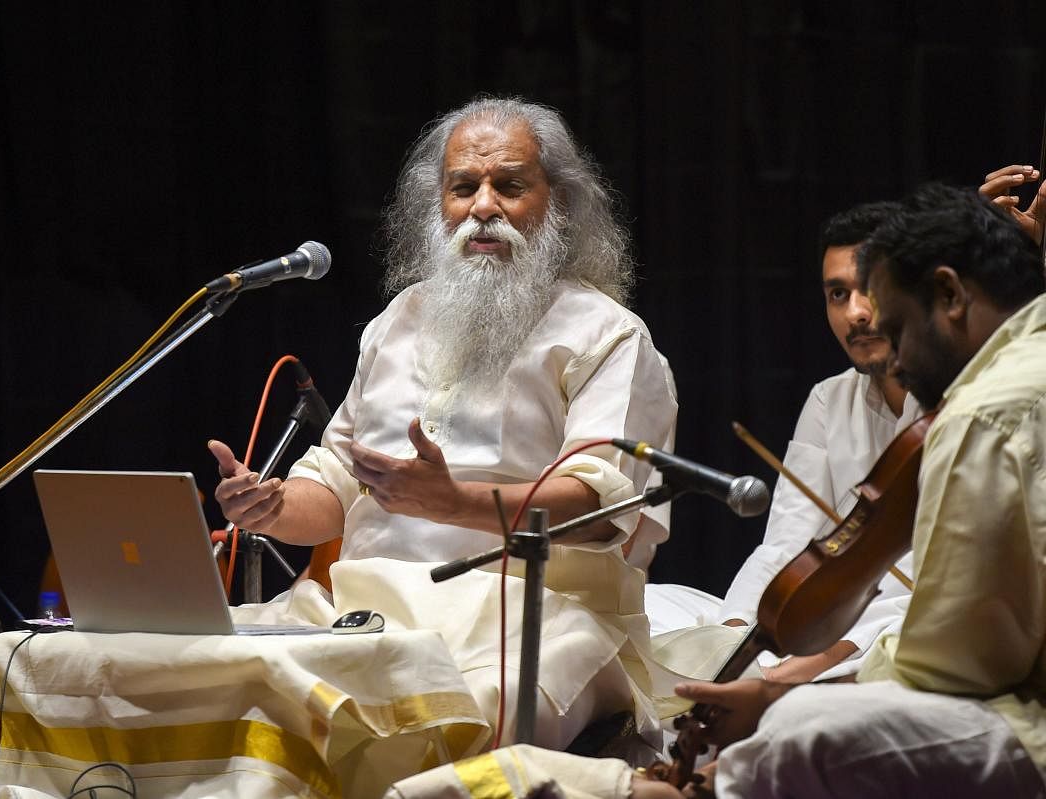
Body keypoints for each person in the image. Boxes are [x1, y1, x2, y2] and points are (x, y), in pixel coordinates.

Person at [209, 97, 678, 748]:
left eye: (510, 186)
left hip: (534, 618)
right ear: (439, 206)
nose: (483, 205)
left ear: (560, 207)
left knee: (439, 723)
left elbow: (598, 510)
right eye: (464, 187)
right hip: (364, 614)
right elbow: (335, 491)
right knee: (216, 676)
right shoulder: (398, 322)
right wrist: (270, 506)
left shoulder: (608, 336)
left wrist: (453, 501)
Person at [670, 184, 1046, 798]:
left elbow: (955, 665)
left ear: (950, 294)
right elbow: (788, 541)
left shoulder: (984, 412)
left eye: (897, 327)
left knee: (803, 729)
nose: (893, 358)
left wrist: (780, 694)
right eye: (836, 296)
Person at [715, 202, 923, 682]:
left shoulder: (958, 399)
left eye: (872, 289)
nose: (855, 313)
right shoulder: (830, 399)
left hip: (900, 634)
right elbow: (787, 542)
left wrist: (811, 666)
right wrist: (729, 645)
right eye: (837, 294)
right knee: (663, 613)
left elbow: (929, 582)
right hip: (825, 629)